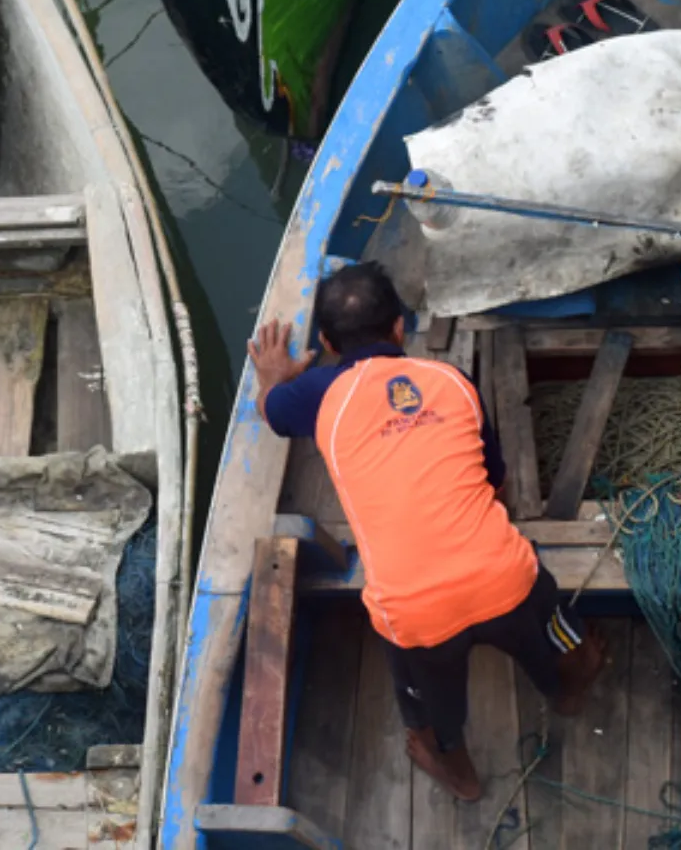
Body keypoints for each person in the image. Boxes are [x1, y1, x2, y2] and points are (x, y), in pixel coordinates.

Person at [247, 261, 604, 803]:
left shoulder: (318, 393)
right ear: (399, 329)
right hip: (506, 578)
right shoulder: (449, 381)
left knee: (434, 714)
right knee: (561, 643)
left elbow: (270, 413)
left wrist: (276, 376)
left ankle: (460, 778)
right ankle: (570, 693)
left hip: (414, 614)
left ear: (325, 342)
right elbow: (497, 482)